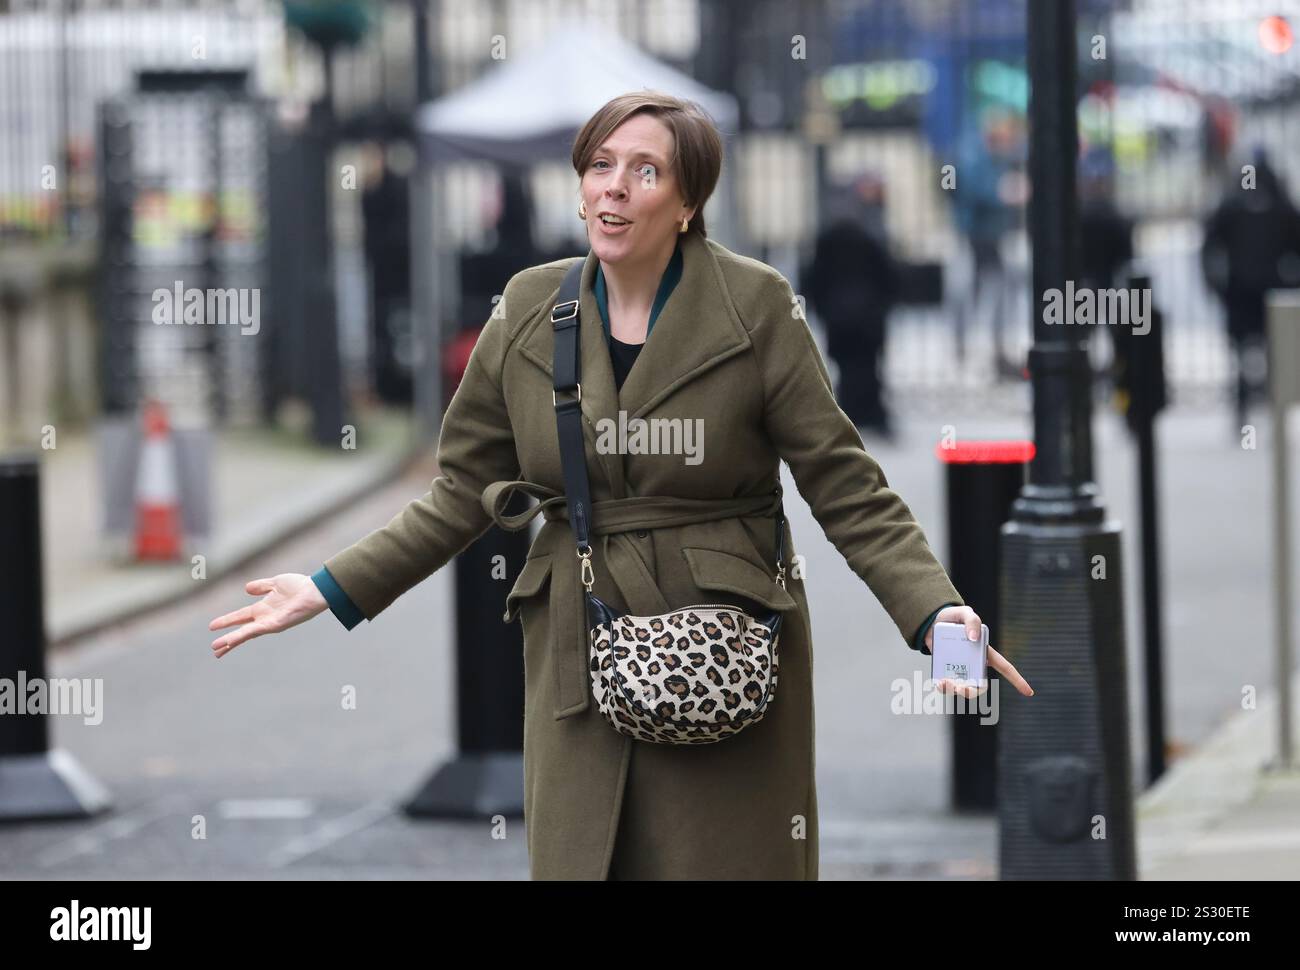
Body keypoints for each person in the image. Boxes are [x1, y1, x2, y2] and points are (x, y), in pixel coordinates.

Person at [209, 91, 1033, 881]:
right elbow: (461, 489)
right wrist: (327, 587)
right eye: (599, 164)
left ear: (687, 201)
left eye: (644, 169)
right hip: (581, 646)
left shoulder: (755, 306)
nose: (613, 185)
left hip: (726, 654)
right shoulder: (528, 308)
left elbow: (843, 484)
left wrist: (936, 613)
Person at [1201, 149, 1300, 430]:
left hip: (1257, 293)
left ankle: (1261, 411)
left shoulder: (1266, 206)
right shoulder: (1251, 206)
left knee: (1268, 355)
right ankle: (1254, 410)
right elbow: (1211, 245)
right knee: (1255, 356)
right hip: (1252, 293)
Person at [802, 173, 900, 438]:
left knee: (848, 369)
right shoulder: (872, 235)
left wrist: (820, 309)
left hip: (839, 318)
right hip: (867, 318)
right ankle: (870, 415)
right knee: (869, 368)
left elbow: (813, 278)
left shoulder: (828, 238)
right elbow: (889, 276)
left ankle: (852, 417)